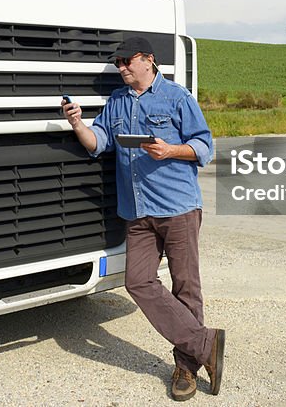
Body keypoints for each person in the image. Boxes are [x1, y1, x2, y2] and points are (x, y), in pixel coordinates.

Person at [62, 35, 224, 401]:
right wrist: (77, 123)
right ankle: (205, 343)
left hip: (178, 206)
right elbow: (98, 141)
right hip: (137, 210)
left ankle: (186, 367)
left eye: (126, 61)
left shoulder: (176, 96)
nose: (121, 67)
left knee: (186, 288)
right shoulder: (116, 102)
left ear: (148, 60)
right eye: (117, 63)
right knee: (137, 281)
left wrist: (170, 150)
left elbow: (204, 146)